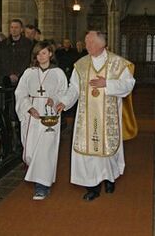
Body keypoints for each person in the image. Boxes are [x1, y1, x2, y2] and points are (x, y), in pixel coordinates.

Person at [56, 31, 136, 201]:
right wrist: (64, 101)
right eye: (86, 42)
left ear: (101, 44)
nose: (86, 46)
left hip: (108, 116)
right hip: (86, 117)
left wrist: (107, 83)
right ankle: (92, 186)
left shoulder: (117, 63)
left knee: (107, 149)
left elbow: (128, 84)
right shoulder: (81, 64)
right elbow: (74, 88)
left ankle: (109, 178)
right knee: (88, 151)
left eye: (90, 42)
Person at [15, 40, 68, 200]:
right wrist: (29, 107)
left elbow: (63, 91)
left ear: (50, 54)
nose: (41, 56)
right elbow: (20, 92)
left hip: (49, 114)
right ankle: (38, 177)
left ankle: (42, 186)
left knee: (45, 151)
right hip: (32, 113)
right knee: (30, 152)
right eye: (38, 54)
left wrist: (55, 99)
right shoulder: (29, 72)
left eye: (44, 53)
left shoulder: (58, 73)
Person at [2, 19, 33, 86]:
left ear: (21, 29)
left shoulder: (28, 43)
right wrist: (10, 74)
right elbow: (3, 60)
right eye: (12, 27)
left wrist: (18, 74)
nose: (14, 30)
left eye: (16, 27)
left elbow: (27, 60)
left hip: (23, 76)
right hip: (7, 77)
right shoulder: (4, 43)